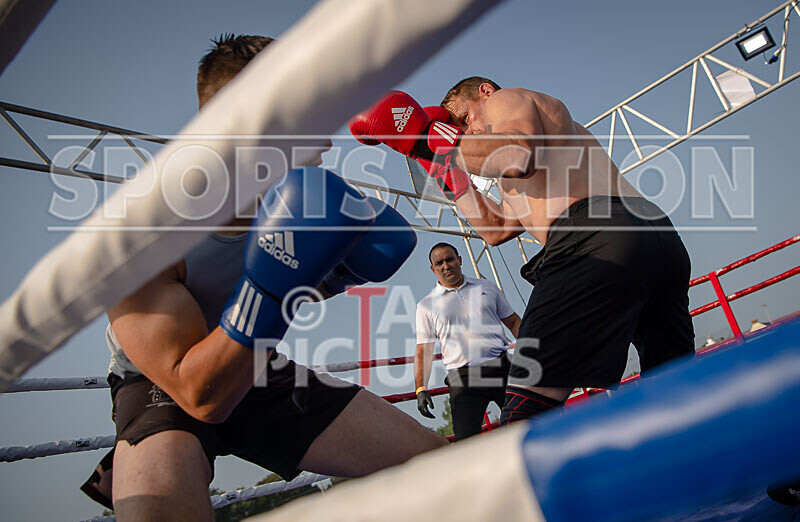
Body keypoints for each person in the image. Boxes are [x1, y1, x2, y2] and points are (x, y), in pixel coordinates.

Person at [80, 35, 445, 520]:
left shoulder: (296, 201)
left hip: (257, 367)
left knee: (445, 471)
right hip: (162, 383)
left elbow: (286, 282)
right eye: (309, 117)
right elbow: (198, 393)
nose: (327, 139)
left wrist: (332, 278)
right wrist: (273, 285)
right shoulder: (142, 231)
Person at [349, 77, 695, 425]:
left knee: (525, 409)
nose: (465, 132)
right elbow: (495, 229)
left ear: (484, 91)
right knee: (676, 390)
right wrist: (438, 163)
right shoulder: (520, 171)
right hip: (655, 238)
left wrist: (429, 138)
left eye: (465, 119)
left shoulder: (504, 100)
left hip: (593, 236)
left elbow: (518, 153)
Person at [414, 242, 520, 441]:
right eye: (439, 263)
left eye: (450, 259)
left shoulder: (486, 286)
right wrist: (421, 388)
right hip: (463, 379)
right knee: (466, 442)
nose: (446, 265)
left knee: (525, 425)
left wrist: (535, 352)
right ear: (433, 269)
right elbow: (424, 350)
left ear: (459, 260)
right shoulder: (426, 306)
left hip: (501, 368)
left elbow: (514, 322)